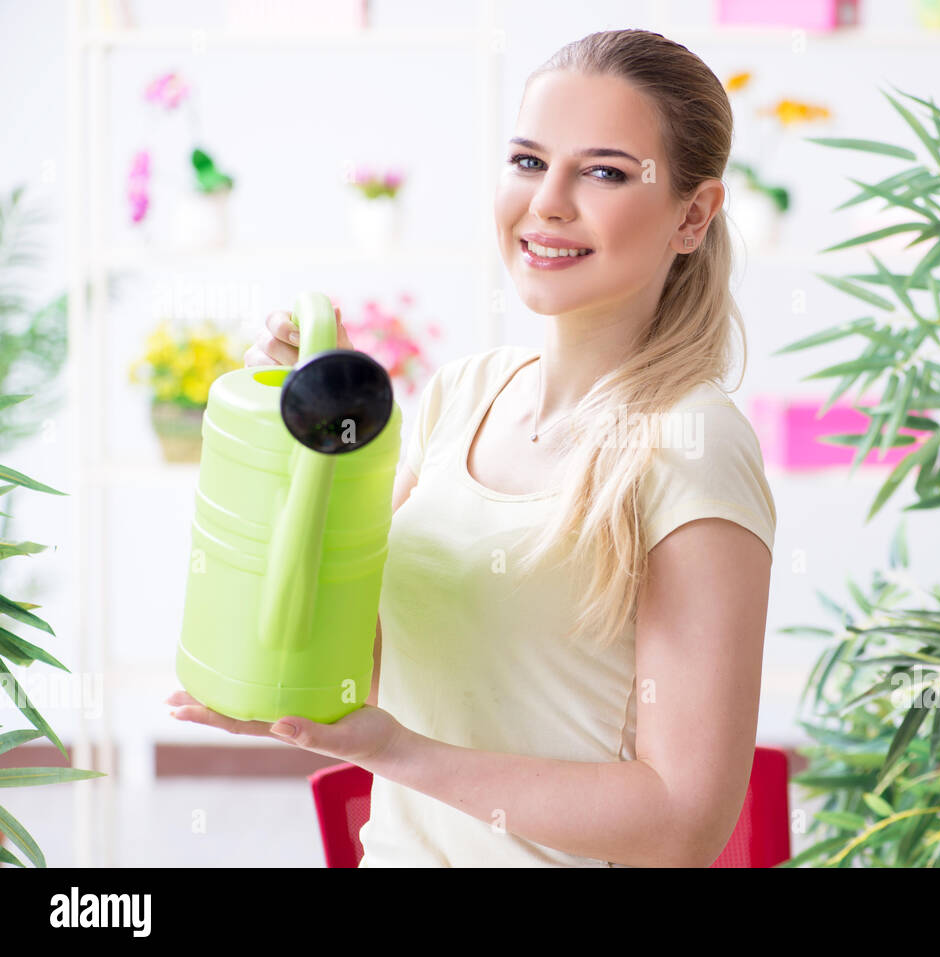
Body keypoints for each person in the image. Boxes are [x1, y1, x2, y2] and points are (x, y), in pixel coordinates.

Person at [168, 27, 777, 867]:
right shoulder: (464, 395)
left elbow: (681, 821)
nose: (549, 202)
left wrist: (395, 754)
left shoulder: (691, 445)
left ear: (692, 215)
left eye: (602, 171)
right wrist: (311, 441)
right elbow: (363, 667)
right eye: (529, 161)